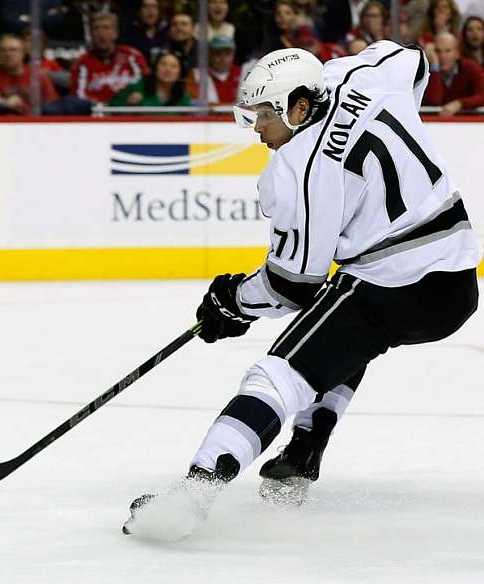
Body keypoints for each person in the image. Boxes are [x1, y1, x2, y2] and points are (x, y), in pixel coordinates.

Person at [123, 41, 481, 541]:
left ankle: (194, 494)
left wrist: (234, 301)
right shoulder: (364, 74)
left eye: (264, 118)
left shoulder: (300, 170)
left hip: (393, 285)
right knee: (343, 330)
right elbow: (415, 59)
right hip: (458, 280)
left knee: (277, 376)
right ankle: (303, 451)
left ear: (299, 106)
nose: (257, 132)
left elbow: (293, 285)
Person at [70, 12, 148, 104]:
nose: (101, 33)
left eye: (106, 28)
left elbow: (146, 86)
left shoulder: (132, 56)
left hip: (131, 113)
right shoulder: (81, 64)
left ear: (115, 33)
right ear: (90, 35)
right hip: (97, 115)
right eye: (96, 29)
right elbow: (78, 98)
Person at [0, 33, 57, 115]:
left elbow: (52, 104)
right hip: (3, 124)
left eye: (13, 50)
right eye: (2, 50)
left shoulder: (38, 77)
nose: (7, 54)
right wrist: (6, 103)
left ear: (23, 53)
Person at [424, 31, 484, 115]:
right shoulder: (426, 71)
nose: (442, 56)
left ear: (457, 53)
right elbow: (433, 102)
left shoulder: (471, 68)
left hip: (467, 123)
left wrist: (459, 104)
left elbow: (482, 95)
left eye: (447, 51)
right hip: (435, 124)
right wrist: (435, 67)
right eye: (438, 51)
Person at [110, 50, 190, 106]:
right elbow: (112, 109)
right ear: (155, 68)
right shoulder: (137, 85)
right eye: (163, 64)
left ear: (180, 72)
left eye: (173, 66)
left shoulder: (183, 96)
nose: (167, 69)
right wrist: (128, 105)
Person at [185, 35, 242, 105]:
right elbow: (195, 103)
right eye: (218, 54)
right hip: (209, 116)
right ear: (209, 54)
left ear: (233, 55)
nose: (223, 58)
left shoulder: (243, 73)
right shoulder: (196, 75)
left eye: (227, 54)